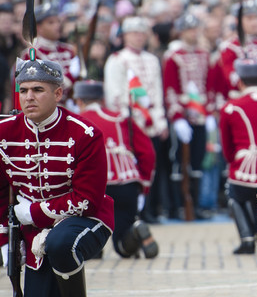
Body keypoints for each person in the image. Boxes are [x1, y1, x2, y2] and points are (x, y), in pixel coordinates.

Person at [0, 59, 114, 297]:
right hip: (32, 228)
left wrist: (34, 213)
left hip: (85, 219)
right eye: (23, 90)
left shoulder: (85, 133)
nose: (28, 97)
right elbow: (2, 194)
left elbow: (87, 199)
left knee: (62, 242)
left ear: (58, 94)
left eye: (38, 89)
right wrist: (5, 242)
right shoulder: (4, 133)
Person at [74, 80, 158, 259]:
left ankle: (94, 249)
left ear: (79, 101)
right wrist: (144, 183)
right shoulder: (121, 118)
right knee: (123, 245)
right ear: (103, 99)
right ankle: (134, 232)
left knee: (89, 234)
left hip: (93, 186)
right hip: (126, 183)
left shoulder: (75, 122)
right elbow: (148, 153)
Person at [103, 16, 170, 222]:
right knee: (134, 168)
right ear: (124, 36)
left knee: (152, 166)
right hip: (130, 123)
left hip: (151, 122)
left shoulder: (151, 59)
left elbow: (157, 93)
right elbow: (114, 94)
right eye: (134, 33)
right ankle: (137, 211)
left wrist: (160, 120)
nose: (138, 37)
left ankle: (152, 208)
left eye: (142, 33)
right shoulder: (117, 59)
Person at [219, 59, 257, 254]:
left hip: (243, 168)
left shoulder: (230, 107)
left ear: (241, 81)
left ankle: (246, 239)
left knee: (235, 196)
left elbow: (227, 147)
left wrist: (232, 163)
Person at [163, 13, 215, 220]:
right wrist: (177, 116)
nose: (194, 33)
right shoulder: (173, 56)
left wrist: (209, 111)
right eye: (190, 30)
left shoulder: (204, 55)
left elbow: (210, 86)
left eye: (196, 29)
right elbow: (170, 88)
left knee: (198, 159)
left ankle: (195, 203)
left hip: (201, 115)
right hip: (183, 116)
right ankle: (178, 205)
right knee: (179, 161)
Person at [21, 3, 81, 100]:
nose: (57, 25)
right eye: (51, 23)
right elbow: (43, 85)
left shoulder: (69, 50)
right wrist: (71, 76)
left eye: (58, 21)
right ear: (39, 28)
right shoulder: (32, 54)